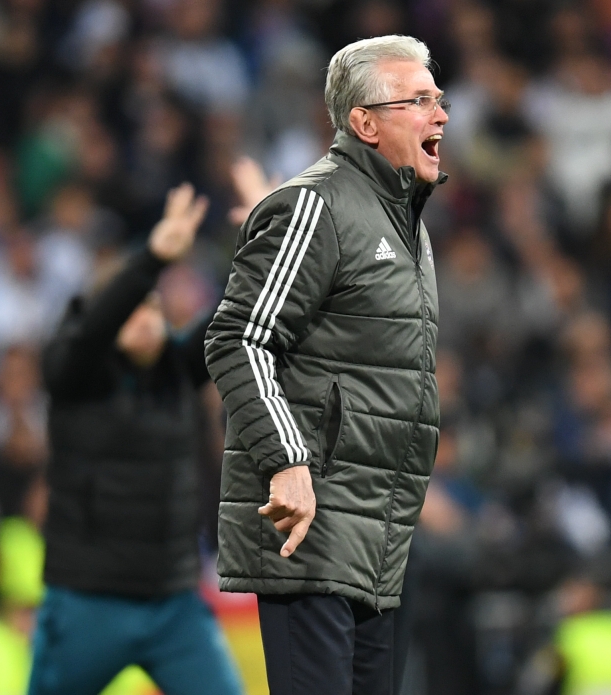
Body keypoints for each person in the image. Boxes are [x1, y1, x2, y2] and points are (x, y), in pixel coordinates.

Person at [205, 34, 449, 695]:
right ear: (365, 122)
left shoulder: (405, 224)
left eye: (439, 97)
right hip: (312, 526)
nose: (441, 114)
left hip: (380, 531)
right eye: (419, 99)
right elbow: (237, 337)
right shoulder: (318, 203)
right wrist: (287, 459)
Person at [27, 184, 242, 695]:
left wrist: (270, 233)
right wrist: (152, 258)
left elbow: (235, 311)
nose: (145, 316)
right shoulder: (74, 375)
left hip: (174, 604)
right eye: (130, 307)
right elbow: (92, 331)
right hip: (87, 602)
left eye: (152, 307)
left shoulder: (177, 371)